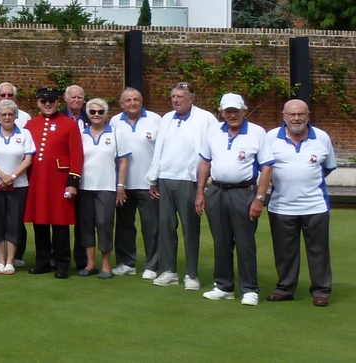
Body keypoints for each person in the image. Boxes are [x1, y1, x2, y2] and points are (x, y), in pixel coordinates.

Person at [195, 94, 268, 306]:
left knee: (245, 242)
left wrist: (259, 198)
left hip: (244, 191)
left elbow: (267, 168)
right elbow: (205, 164)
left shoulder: (256, 132)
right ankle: (224, 286)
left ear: (244, 110)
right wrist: (200, 192)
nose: (232, 115)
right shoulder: (213, 132)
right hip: (216, 191)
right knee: (221, 241)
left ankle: (250, 289)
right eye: (228, 111)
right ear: (221, 112)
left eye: (236, 110)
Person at [261, 99, 334, 307]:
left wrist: (306, 181)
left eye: (300, 114)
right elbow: (264, 167)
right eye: (292, 114)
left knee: (319, 251)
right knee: (284, 251)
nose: (296, 118)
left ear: (308, 115)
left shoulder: (321, 137)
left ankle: (321, 291)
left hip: (315, 206)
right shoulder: (270, 137)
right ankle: (285, 288)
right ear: (283, 115)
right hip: (281, 205)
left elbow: (328, 167)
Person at [147, 82, 215, 289]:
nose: (176, 100)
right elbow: (159, 150)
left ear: (191, 99)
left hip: (189, 180)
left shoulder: (206, 118)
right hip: (166, 179)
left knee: (190, 228)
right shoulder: (167, 118)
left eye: (181, 96)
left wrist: (203, 186)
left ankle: (192, 274)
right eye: (173, 96)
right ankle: (168, 271)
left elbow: (212, 149)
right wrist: (154, 179)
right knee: (166, 227)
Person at [25, 86, 84, 279]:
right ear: (38, 103)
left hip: (60, 180)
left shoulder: (69, 124)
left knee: (60, 224)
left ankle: (62, 264)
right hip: (37, 180)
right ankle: (42, 261)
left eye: (51, 101)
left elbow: (77, 155)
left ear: (58, 102)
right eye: (43, 101)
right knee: (40, 222)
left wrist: (73, 182)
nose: (47, 104)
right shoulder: (30, 125)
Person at [109, 87, 162, 278]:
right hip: (123, 185)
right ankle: (126, 263)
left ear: (142, 101)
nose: (132, 103)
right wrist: (118, 185)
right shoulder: (115, 121)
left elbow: (161, 151)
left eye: (136, 99)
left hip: (149, 184)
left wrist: (156, 180)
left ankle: (152, 266)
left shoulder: (156, 120)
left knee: (151, 226)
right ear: (122, 104)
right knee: (124, 227)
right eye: (128, 100)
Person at [0, 100, 34, 275]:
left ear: (16, 116)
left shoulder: (25, 134)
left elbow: (28, 159)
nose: (7, 117)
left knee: (14, 223)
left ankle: (10, 261)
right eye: (4, 114)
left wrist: (12, 177)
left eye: (11, 114)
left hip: (18, 186)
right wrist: (2, 175)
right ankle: (0, 260)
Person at [77, 98, 129, 279]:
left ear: (106, 114)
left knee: (104, 224)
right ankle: (90, 264)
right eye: (92, 112)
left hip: (107, 187)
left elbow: (123, 161)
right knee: (86, 226)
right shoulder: (81, 134)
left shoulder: (115, 133)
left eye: (100, 112)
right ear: (88, 114)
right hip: (84, 187)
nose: (96, 115)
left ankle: (106, 264)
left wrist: (120, 186)